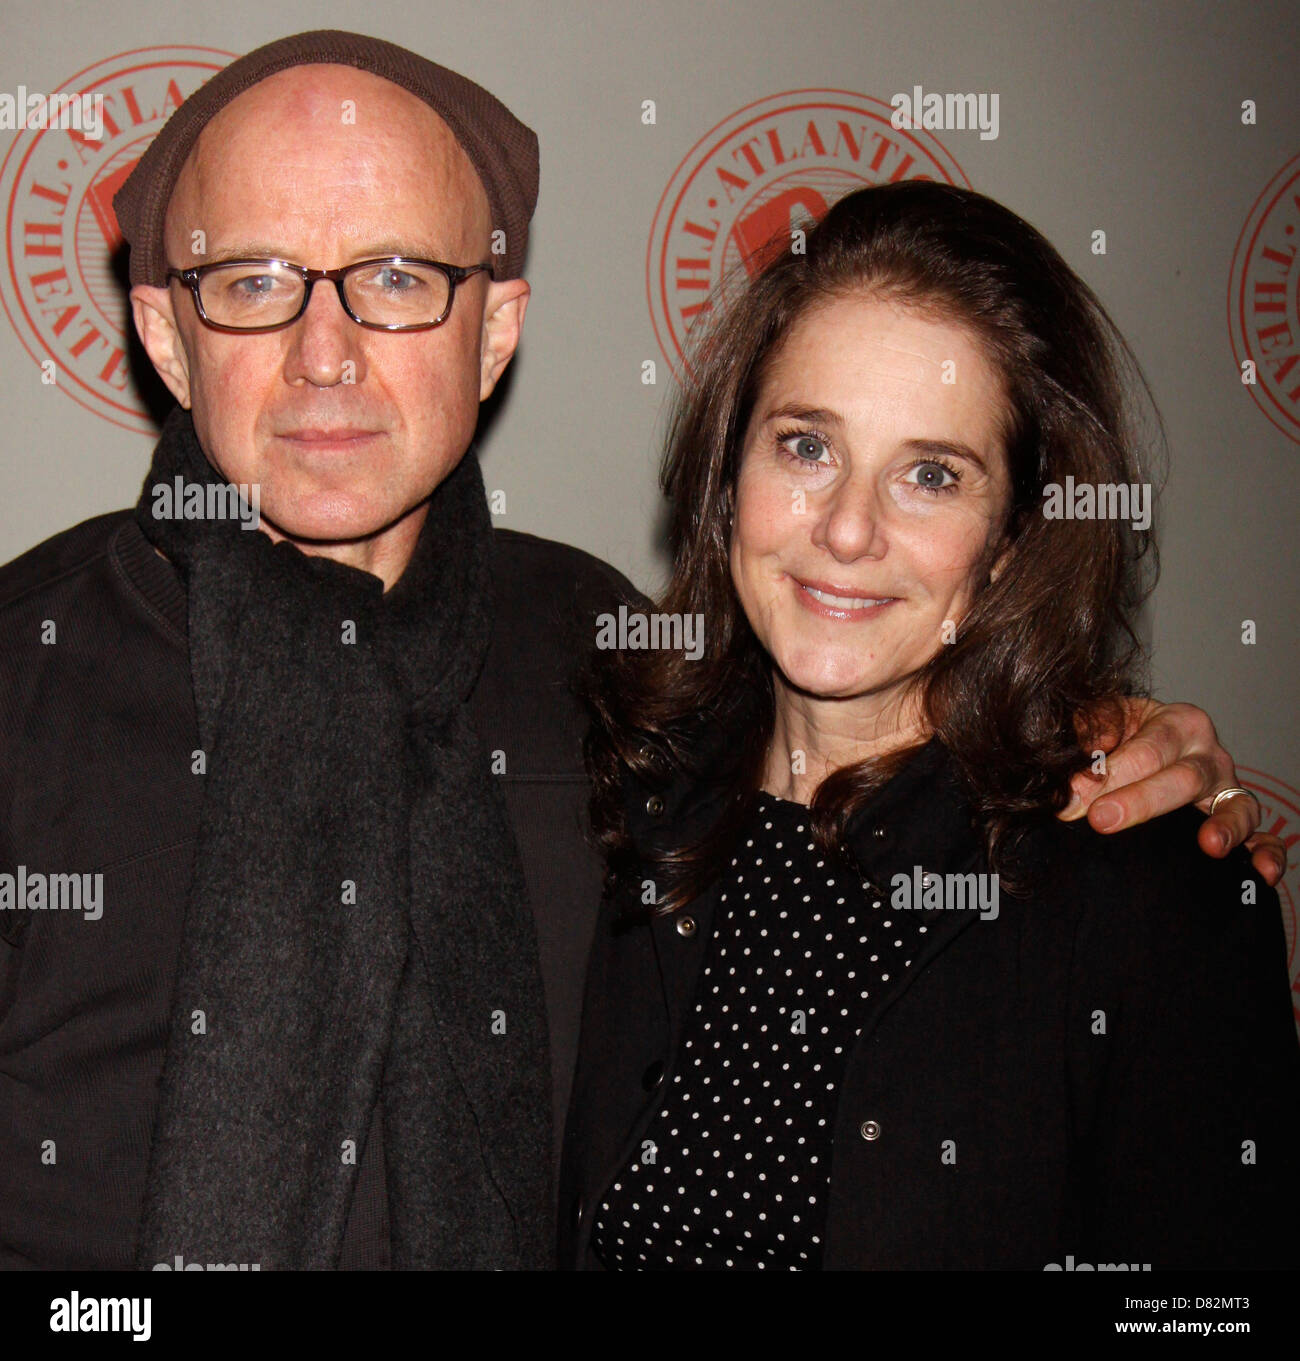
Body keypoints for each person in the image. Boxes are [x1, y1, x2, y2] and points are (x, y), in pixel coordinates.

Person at [0, 30, 1279, 1272]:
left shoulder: (593, 663)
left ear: (494, 331)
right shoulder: (23, 681)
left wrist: (1101, 738)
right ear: (169, 336)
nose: (324, 356)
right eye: (255, 281)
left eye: (397, 279)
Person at [560, 181, 1300, 1270]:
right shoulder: (618, 792)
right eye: (806, 446)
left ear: (1008, 540)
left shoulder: (1144, 888)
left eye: (930, 474)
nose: (848, 528)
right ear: (729, 474)